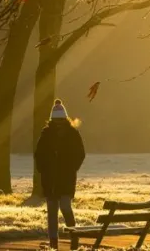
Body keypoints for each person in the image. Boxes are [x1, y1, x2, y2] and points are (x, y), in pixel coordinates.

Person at [34, 99, 85, 250]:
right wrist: (43, 169)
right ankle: (53, 243)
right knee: (51, 210)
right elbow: (39, 155)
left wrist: (71, 168)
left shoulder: (72, 134)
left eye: (60, 121)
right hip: (50, 180)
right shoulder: (46, 134)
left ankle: (74, 238)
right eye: (56, 121)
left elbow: (80, 154)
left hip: (66, 179)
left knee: (65, 206)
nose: (58, 124)